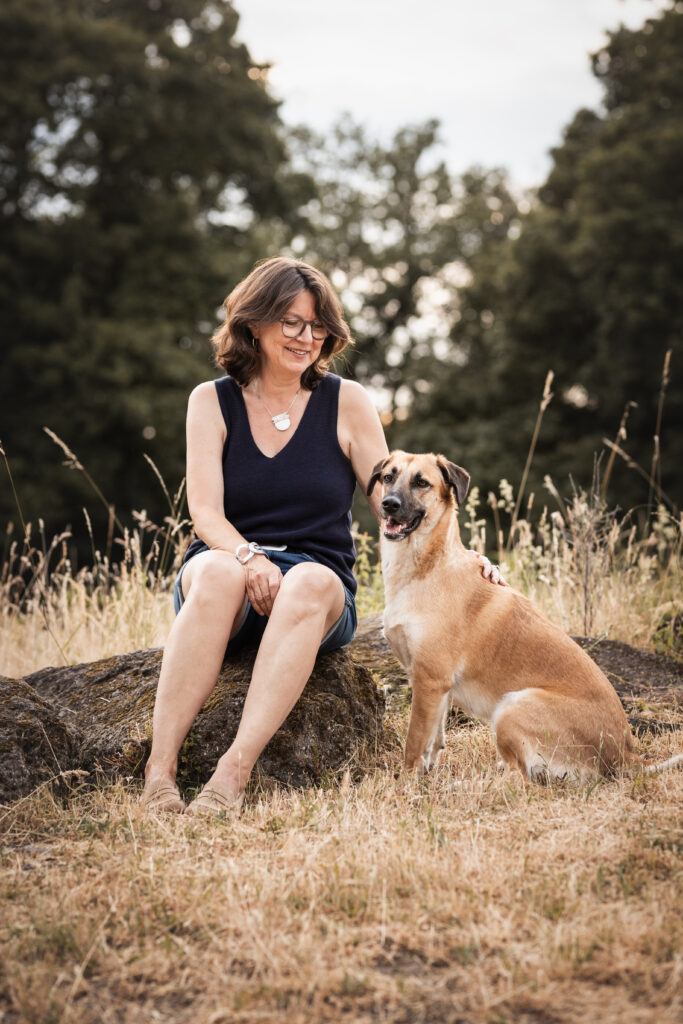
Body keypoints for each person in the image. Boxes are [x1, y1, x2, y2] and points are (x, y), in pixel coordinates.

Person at [142, 256, 502, 817]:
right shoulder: (209, 402)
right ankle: (159, 772)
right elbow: (205, 513)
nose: (306, 337)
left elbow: (397, 499)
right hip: (228, 564)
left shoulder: (348, 401)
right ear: (253, 323)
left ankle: (231, 775)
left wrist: (461, 557)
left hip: (316, 585)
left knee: (308, 580)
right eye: (291, 321)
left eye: (317, 325)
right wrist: (248, 555)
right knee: (217, 573)